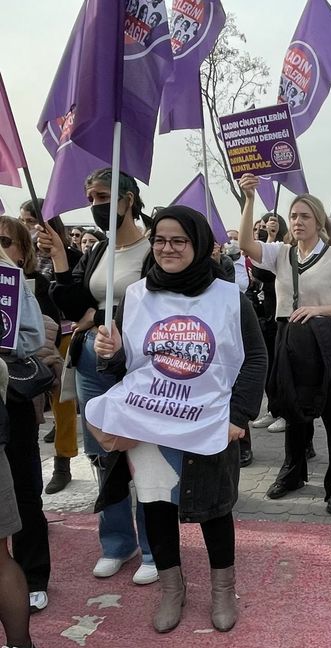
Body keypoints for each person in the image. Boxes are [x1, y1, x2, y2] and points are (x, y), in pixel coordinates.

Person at [86, 206, 265, 633]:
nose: (167, 248)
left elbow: (256, 357)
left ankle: (222, 590)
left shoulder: (229, 297)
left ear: (198, 244)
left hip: (208, 422)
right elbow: (129, 364)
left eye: (178, 240)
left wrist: (239, 415)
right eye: (160, 240)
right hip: (151, 423)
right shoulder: (137, 295)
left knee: (214, 508)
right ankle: (172, 589)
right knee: (155, 504)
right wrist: (110, 354)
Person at [39, 167, 157, 585]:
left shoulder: (153, 248)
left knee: (144, 453)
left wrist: (105, 315)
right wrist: (59, 257)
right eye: (90, 198)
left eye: (103, 196)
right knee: (102, 452)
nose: (95, 205)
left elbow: (160, 304)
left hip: (137, 362)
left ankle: (155, 546)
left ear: (128, 200)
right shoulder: (99, 250)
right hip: (91, 361)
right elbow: (75, 306)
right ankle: (117, 542)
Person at [237, 174, 331, 514]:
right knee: (291, 409)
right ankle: (293, 472)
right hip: (288, 339)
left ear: (319, 221)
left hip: (323, 344)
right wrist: (249, 200)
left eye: (305, 216)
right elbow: (246, 244)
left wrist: (318, 310)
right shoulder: (281, 253)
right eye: (293, 216)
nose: (297, 221)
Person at [3, 214, 81, 494]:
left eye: (5, 242)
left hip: (37, 363)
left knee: (62, 404)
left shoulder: (38, 279)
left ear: (24, 251)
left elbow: (46, 331)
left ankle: (63, 462)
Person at [0, 242, 49, 618]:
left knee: (23, 491)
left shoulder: (9, 279)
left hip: (8, 401)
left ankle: (33, 577)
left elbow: (33, 337)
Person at [249, 213, 289, 434]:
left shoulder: (284, 250)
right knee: (268, 366)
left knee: (280, 368)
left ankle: (285, 412)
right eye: (259, 228)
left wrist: (272, 238)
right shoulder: (257, 251)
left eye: (266, 227)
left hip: (280, 316)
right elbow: (257, 274)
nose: (262, 231)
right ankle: (273, 409)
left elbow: (266, 274)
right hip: (263, 316)